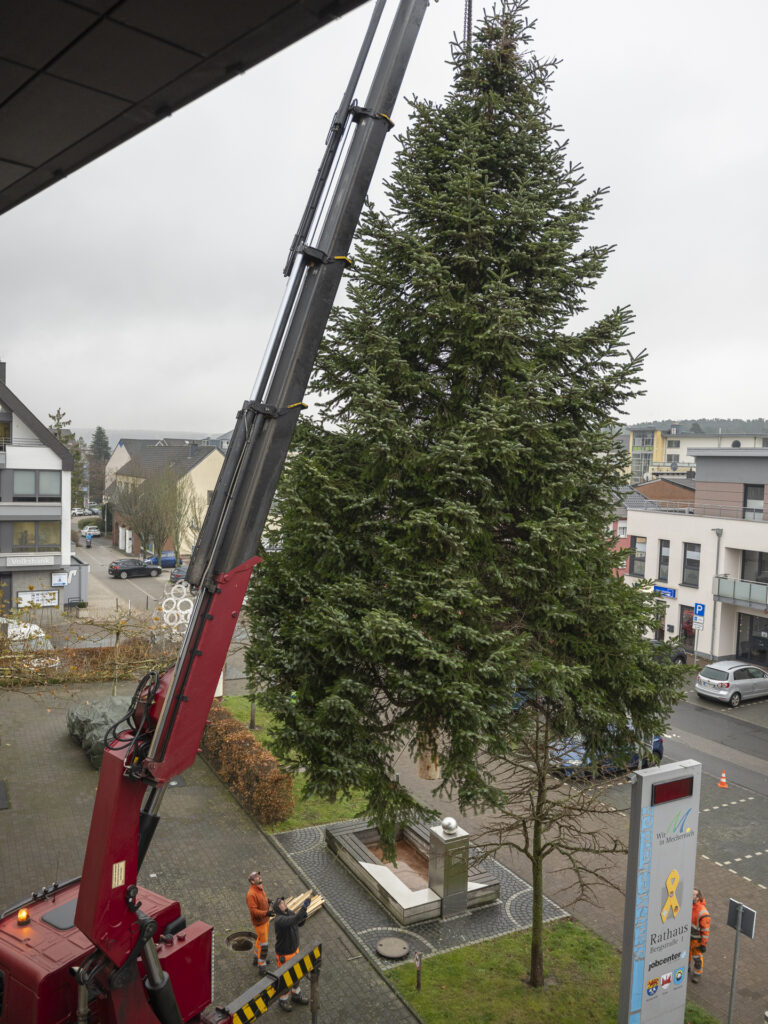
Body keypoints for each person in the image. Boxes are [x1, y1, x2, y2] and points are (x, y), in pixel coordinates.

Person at [272, 895, 311, 1012]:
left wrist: (304, 917)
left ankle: (296, 995)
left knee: (297, 974)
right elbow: (293, 920)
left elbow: (298, 923)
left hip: (295, 951)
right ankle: (283, 1000)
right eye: (281, 903)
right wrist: (303, 908)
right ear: (278, 908)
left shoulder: (290, 912)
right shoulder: (279, 920)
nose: (284, 903)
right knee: (285, 979)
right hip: (285, 955)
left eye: (283, 902)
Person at [246, 870, 271, 974]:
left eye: (259, 875)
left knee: (260, 940)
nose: (259, 877)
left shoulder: (260, 886)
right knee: (264, 945)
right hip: (260, 923)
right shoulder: (251, 895)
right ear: (252, 881)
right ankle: (262, 967)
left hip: (265, 920)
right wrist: (266, 913)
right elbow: (254, 912)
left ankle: (256, 959)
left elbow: (263, 898)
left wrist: (268, 901)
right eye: (256, 876)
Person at [689, 887, 711, 983]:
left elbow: (705, 931)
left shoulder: (703, 912)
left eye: (692, 894)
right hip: (687, 937)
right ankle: (686, 968)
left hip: (696, 941)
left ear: (697, 897)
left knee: (697, 958)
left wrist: (703, 944)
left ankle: (697, 974)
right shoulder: (689, 905)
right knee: (686, 955)